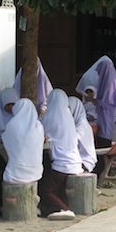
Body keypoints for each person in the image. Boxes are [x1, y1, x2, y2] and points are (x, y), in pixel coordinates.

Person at [39, 89, 83, 220]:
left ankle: (64, 209)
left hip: (61, 164)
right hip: (75, 162)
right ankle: (51, 209)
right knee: (54, 185)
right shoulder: (68, 117)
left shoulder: (49, 117)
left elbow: (40, 134)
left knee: (44, 189)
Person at [2, 98, 44, 184]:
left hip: (15, 175)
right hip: (37, 173)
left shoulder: (12, 125)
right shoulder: (39, 126)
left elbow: (5, 140)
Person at [85, 59, 116, 148]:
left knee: (103, 143)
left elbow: (105, 103)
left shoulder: (109, 84)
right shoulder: (109, 82)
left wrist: (91, 99)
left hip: (105, 121)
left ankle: (104, 161)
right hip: (105, 120)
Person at [68, 96, 98, 173]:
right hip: (76, 160)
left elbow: (72, 142)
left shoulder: (82, 125)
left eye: (69, 108)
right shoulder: (75, 123)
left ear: (76, 109)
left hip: (84, 162)